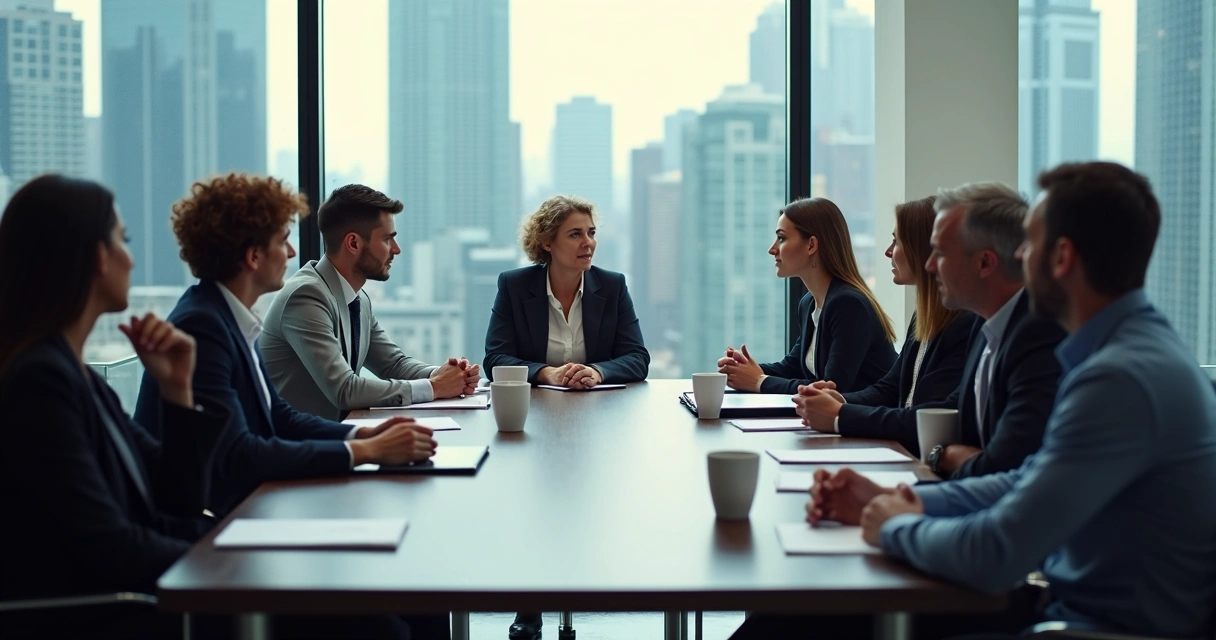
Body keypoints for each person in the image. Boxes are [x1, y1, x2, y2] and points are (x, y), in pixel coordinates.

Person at [738, 162, 1216, 640]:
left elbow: (998, 552)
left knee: (806, 618)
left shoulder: (1120, 378)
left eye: (1027, 244)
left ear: (1062, 258)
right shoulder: (1122, 351)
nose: (1016, 257)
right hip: (1067, 604)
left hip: (1088, 623)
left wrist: (892, 526)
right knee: (793, 616)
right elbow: (1022, 483)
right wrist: (896, 498)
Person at [0, 176, 231, 639]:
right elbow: (111, 547)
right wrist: (227, 557)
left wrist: (176, 391)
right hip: (105, 616)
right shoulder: (41, 382)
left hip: (135, 604)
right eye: (123, 240)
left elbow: (177, 500)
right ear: (97, 257)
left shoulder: (77, 376)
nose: (132, 256)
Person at [794, 184, 1065, 477]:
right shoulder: (983, 325)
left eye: (939, 253)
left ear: (985, 262)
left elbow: (998, 465)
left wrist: (841, 415)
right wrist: (841, 404)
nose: (930, 265)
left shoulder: (1024, 336)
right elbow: (929, 403)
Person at [260, 184, 479, 420]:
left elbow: (393, 364)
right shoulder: (306, 297)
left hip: (333, 439)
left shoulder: (358, 298)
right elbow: (345, 389)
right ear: (353, 243)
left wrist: (448, 375)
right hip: (294, 448)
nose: (396, 249)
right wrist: (435, 387)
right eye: (387, 239)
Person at [806, 196, 976, 435]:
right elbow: (890, 387)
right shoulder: (924, 315)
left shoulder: (965, 323)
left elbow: (930, 413)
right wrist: (840, 401)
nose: (888, 252)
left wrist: (840, 415)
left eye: (896, 241)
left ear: (924, 250)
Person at [718, 197, 896, 394]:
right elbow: (792, 367)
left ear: (811, 245)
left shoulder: (848, 304)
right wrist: (743, 370)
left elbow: (830, 387)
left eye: (782, 238)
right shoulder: (809, 304)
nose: (772, 249)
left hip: (866, 422)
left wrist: (759, 381)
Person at [484, 194, 649, 389]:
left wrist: (597, 372)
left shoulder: (613, 286)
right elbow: (495, 359)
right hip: (534, 408)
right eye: (575, 234)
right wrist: (547, 374)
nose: (588, 242)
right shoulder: (514, 286)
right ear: (547, 243)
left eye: (592, 233)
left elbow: (637, 358)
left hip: (599, 406)